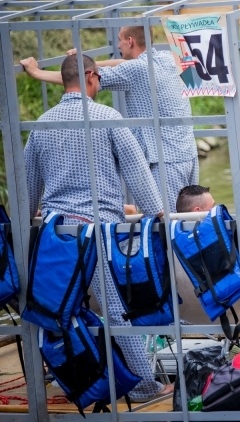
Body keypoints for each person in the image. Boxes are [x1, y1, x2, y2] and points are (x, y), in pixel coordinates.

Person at [23, 54, 172, 402]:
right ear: (90, 75)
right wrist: (158, 216)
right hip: (97, 234)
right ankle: (143, 388)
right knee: (119, 309)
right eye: (101, 78)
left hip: (56, 237)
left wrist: (30, 223)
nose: (101, 83)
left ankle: (75, 381)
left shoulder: (42, 123)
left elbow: (28, 187)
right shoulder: (107, 117)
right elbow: (138, 173)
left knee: (61, 311)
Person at [22, 25, 200, 213]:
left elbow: (80, 78)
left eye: (119, 39)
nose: (117, 45)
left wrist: (37, 73)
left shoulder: (136, 70)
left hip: (165, 161)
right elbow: (120, 64)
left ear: (130, 41)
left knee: (166, 225)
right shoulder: (165, 58)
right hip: (187, 154)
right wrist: (88, 61)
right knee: (187, 222)